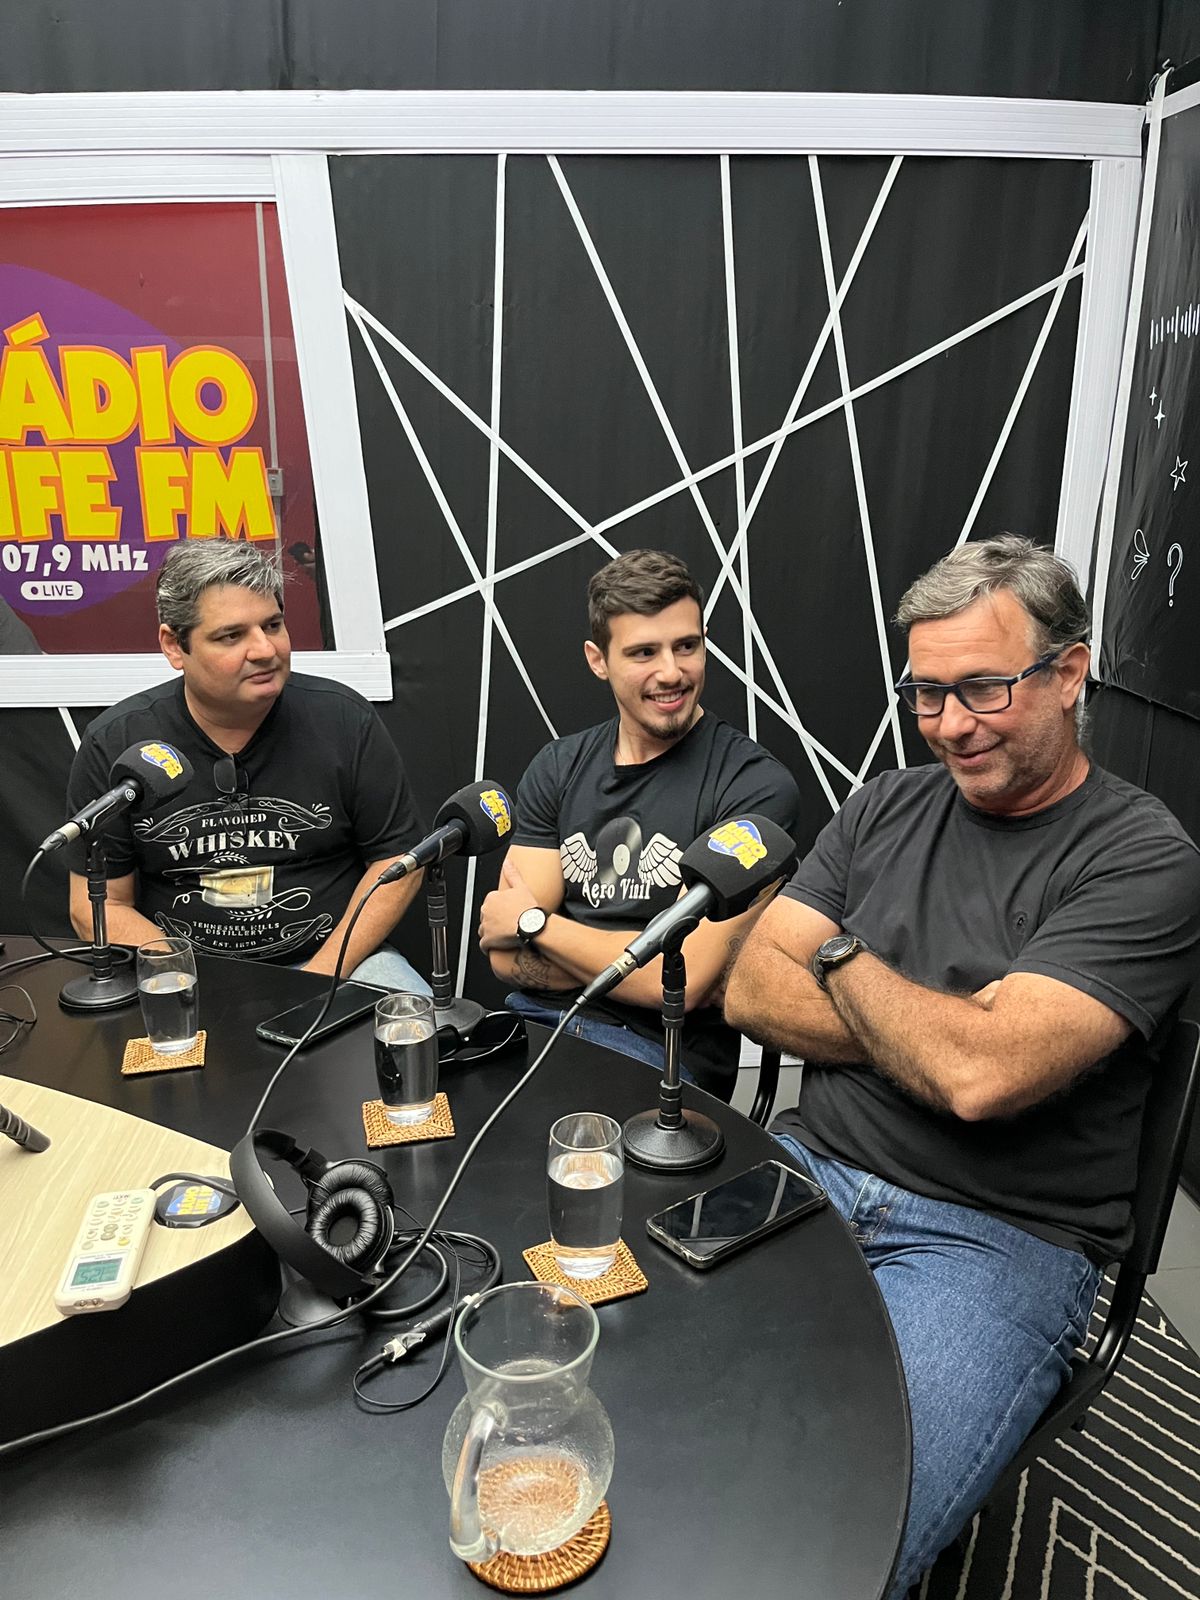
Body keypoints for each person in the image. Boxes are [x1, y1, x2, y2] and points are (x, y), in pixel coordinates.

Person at [724, 534, 1200, 1596]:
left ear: (1070, 672)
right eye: (927, 694)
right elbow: (753, 988)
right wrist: (937, 1031)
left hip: (996, 1237)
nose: (949, 725)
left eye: (983, 687)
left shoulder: (1145, 857)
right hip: (815, 1164)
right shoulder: (887, 803)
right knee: (628, 1385)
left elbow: (983, 1081)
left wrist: (841, 954)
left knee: (837, 1536)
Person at [478, 548, 800, 1100]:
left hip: (661, 1056)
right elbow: (506, 958)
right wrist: (626, 964)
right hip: (533, 1022)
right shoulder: (558, 767)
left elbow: (680, 983)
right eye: (644, 652)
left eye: (687, 646)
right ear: (597, 659)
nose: (671, 672)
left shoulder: (754, 788)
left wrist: (538, 925)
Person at [65, 541, 429, 989]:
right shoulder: (117, 743)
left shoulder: (344, 720)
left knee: (415, 1028)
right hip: (180, 973)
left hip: (334, 962)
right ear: (174, 646)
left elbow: (398, 862)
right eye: (231, 636)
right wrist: (189, 978)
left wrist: (317, 978)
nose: (264, 650)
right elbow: (96, 904)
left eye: (273, 625)